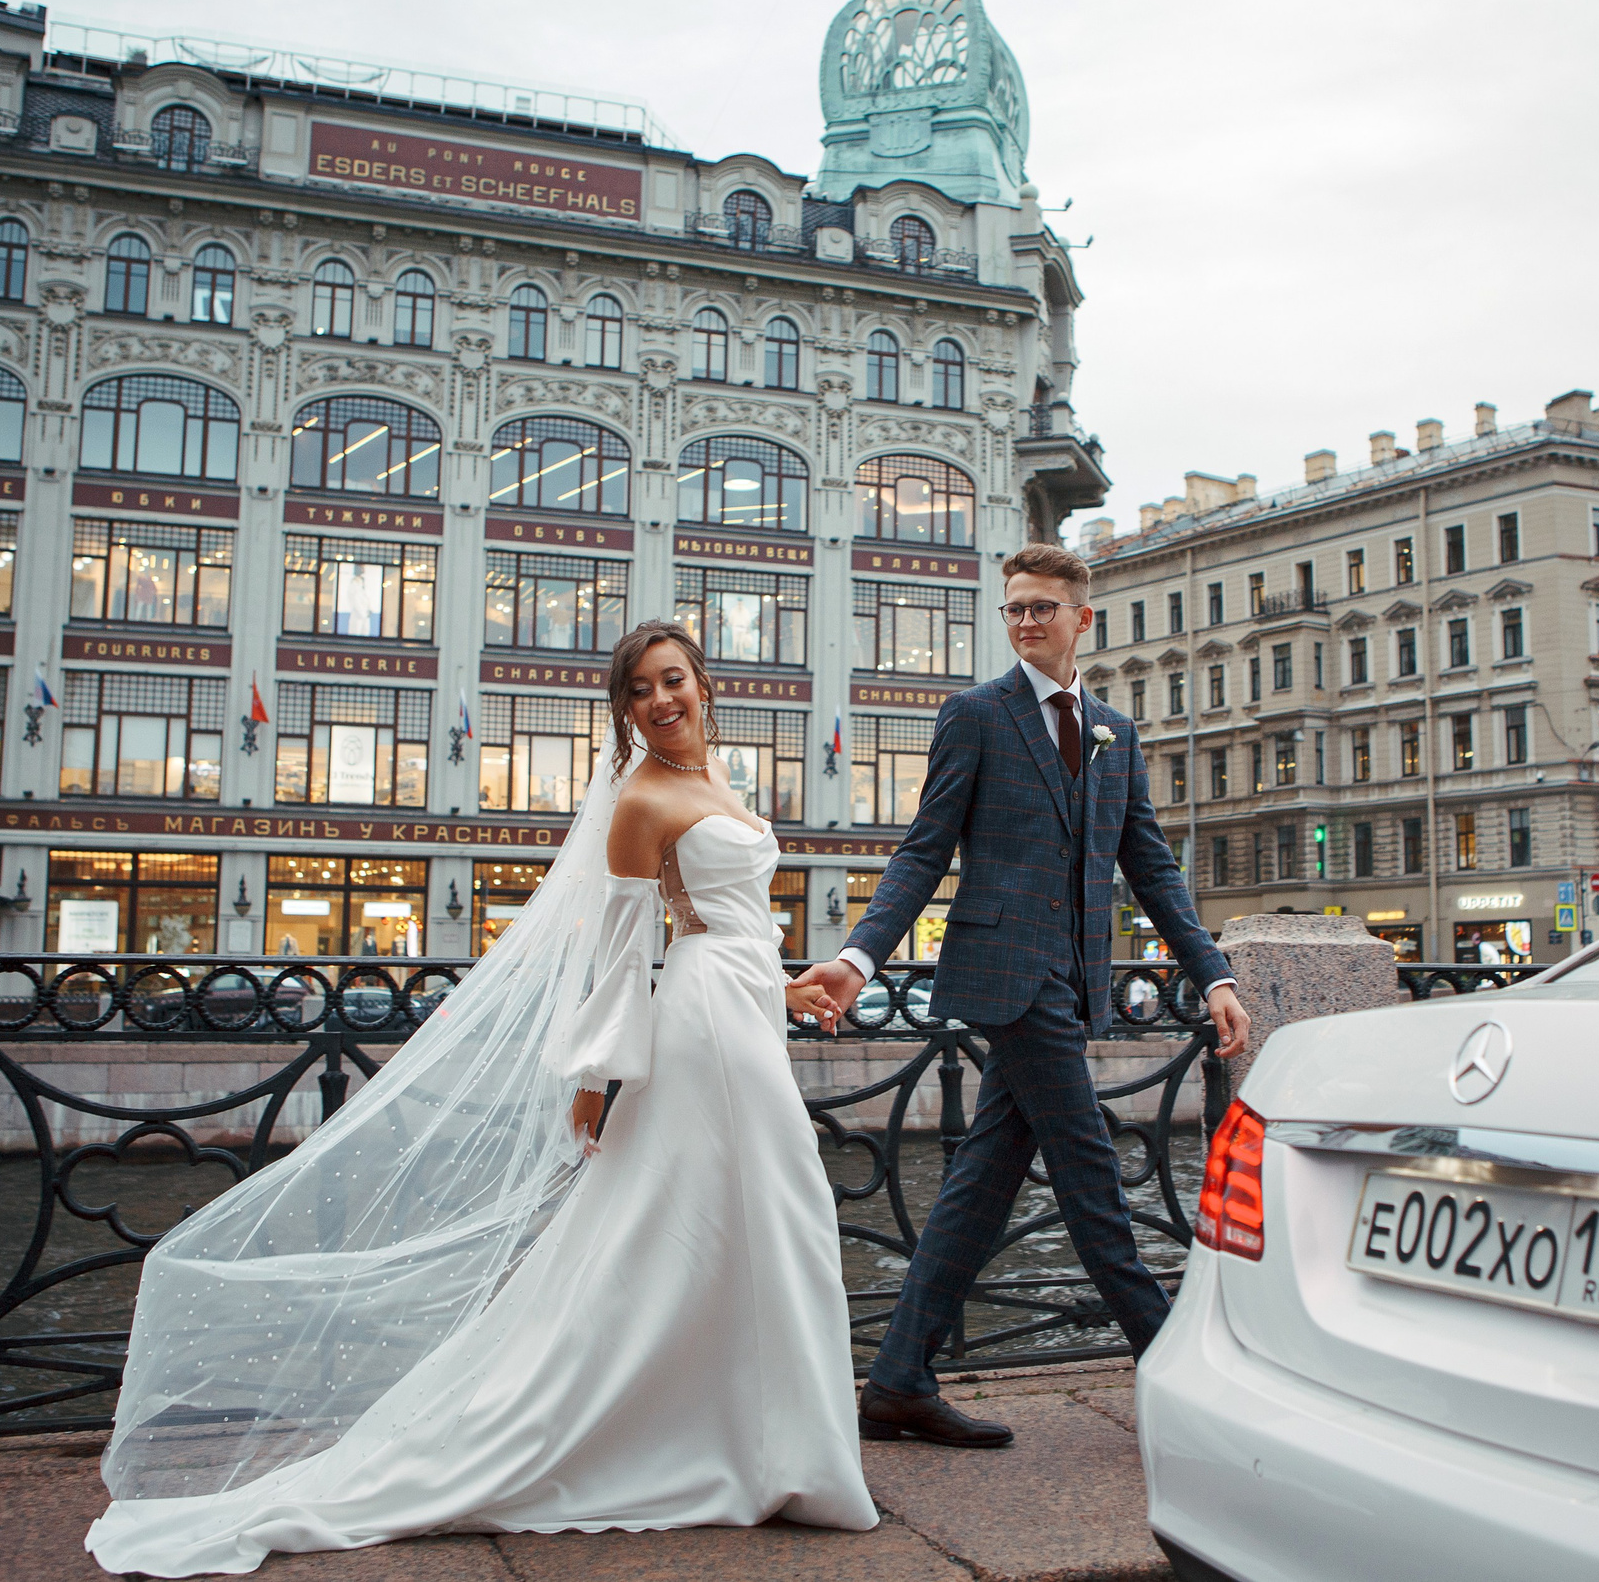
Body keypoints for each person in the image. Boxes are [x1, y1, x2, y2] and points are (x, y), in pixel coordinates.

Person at [86, 621, 876, 1576]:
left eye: (673, 680)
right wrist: (596, 1078)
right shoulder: (642, 798)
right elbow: (622, 953)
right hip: (704, 1025)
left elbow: (725, 922)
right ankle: (775, 1451)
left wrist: (784, 985)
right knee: (764, 1212)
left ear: (703, 682)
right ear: (625, 710)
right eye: (639, 691)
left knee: (732, 1225)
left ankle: (759, 1440)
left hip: (743, 1004)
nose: (662, 700)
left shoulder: (719, 787)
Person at [793, 543, 1252, 1448]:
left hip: (1073, 981)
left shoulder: (1115, 731)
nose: (1027, 620)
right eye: (1014, 608)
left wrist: (1213, 973)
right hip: (1009, 977)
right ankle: (1174, 1368)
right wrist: (859, 956)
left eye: (1044, 606)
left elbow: (1150, 864)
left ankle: (896, 1379)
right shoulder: (976, 714)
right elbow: (925, 850)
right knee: (1090, 1174)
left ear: (1085, 618)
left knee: (983, 1180)